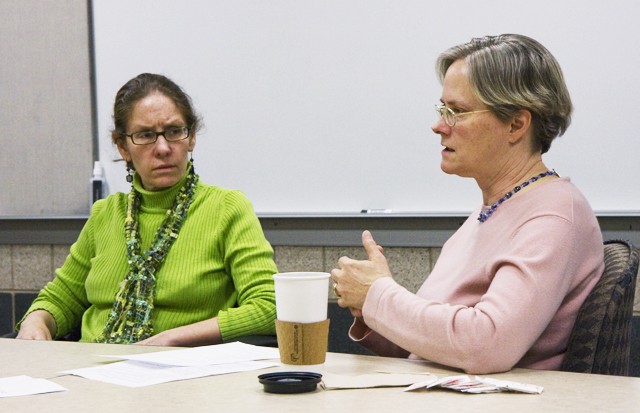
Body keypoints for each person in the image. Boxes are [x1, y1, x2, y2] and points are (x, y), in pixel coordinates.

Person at [330, 34, 604, 374]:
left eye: (457, 111)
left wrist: (379, 296)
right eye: (442, 109)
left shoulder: (554, 215)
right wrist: (369, 307)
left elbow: (486, 344)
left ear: (517, 124)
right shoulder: (491, 210)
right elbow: (433, 345)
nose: (438, 126)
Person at [16, 73, 278, 346]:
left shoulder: (226, 208)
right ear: (123, 147)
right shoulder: (106, 213)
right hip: (91, 371)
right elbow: (62, 298)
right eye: (145, 135)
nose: (163, 148)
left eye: (175, 131)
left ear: (192, 138)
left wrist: (172, 339)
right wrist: (37, 320)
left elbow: (269, 306)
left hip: (185, 377)